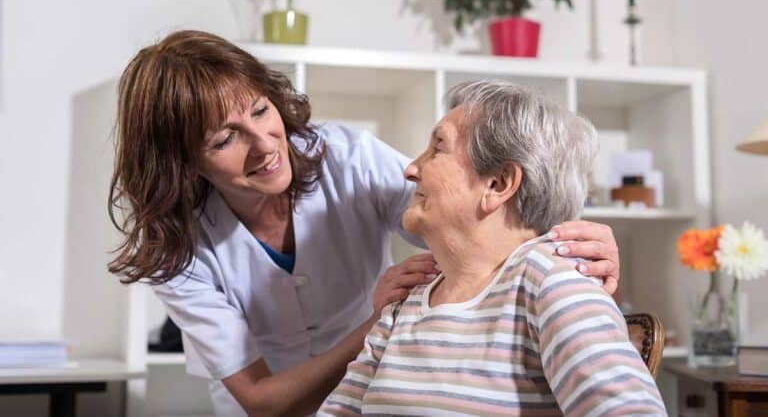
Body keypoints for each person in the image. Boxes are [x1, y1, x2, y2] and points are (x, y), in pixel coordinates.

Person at [108, 30, 623, 416]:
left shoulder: (347, 159)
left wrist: (572, 240)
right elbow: (262, 401)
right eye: (224, 139)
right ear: (183, 163)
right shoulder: (177, 249)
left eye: (261, 111)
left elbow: (473, 216)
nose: (267, 144)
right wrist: (380, 322)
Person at [319, 81, 664, 416]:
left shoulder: (549, 283)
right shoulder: (408, 299)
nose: (410, 169)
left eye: (437, 148)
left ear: (497, 184)